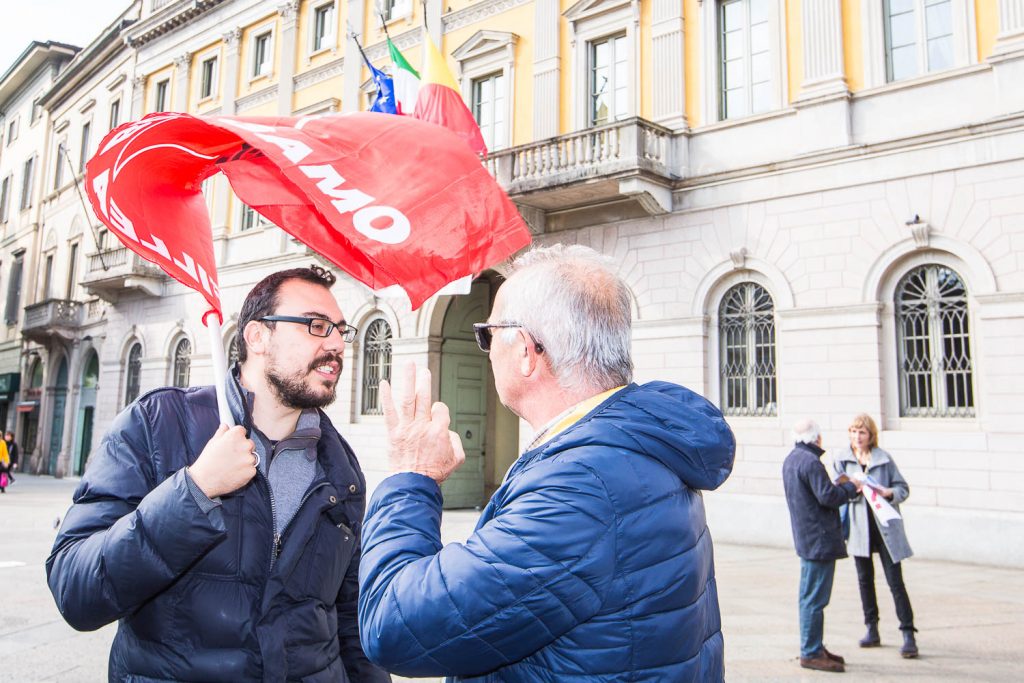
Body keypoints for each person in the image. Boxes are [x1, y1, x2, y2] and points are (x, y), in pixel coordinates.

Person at [358, 245, 736, 681]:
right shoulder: (628, 445)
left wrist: (412, 476)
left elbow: (394, 626)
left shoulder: (581, 487)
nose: (486, 350)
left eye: (488, 334)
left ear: (524, 351)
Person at [46, 265, 389, 682]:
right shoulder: (158, 424)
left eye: (340, 329)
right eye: (316, 326)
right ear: (257, 337)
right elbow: (76, 589)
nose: (336, 342)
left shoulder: (340, 466)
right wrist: (194, 491)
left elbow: (351, 623)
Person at [833, 413, 918, 659]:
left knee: (895, 582)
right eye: (853, 432)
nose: (857, 437)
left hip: (885, 528)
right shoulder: (842, 460)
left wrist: (888, 492)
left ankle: (908, 632)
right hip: (860, 528)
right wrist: (851, 489)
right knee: (864, 581)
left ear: (871, 436)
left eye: (862, 433)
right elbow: (837, 491)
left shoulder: (883, 459)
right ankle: (872, 628)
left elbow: (903, 488)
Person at [782, 419, 861, 673]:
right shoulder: (811, 462)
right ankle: (811, 651)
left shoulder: (792, 458)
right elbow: (827, 497)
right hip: (819, 538)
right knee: (815, 598)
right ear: (817, 439)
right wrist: (850, 487)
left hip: (807, 537)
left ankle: (814, 645)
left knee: (809, 596)